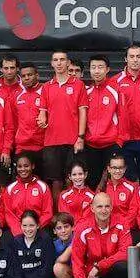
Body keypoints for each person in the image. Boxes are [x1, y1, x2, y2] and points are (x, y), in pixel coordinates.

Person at [71, 193, 130, 278]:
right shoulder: (82, 228)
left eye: (107, 206)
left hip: (112, 274)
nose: (104, 210)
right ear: (92, 208)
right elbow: (77, 263)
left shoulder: (121, 223)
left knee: (123, 266)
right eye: (100, 206)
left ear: (112, 207)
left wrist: (100, 266)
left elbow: (125, 252)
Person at [38, 51, 88, 198]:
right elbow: (42, 113)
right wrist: (41, 121)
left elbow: (83, 113)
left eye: (62, 60)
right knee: (55, 181)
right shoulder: (46, 87)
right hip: (51, 142)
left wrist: (80, 137)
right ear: (52, 64)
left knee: (72, 180)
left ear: (68, 63)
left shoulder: (78, 85)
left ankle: (72, 215)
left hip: (73, 141)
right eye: (55, 60)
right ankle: (57, 217)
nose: (59, 63)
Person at [2, 210, 58, 278]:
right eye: (24, 225)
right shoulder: (16, 241)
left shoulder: (45, 239)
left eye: (31, 225)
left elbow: (47, 265)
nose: (28, 229)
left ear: (38, 225)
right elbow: (15, 266)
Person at [112, 45, 140, 182]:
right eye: (131, 56)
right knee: (127, 179)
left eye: (138, 56)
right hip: (123, 139)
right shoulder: (115, 81)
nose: (135, 60)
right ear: (126, 59)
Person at [81, 54, 122, 184]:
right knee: (92, 181)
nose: (97, 71)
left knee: (112, 183)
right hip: (91, 145)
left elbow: (124, 116)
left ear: (107, 69)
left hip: (111, 144)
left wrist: (119, 141)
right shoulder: (86, 92)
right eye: (93, 67)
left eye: (100, 67)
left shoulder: (115, 90)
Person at [1, 155, 52, 236]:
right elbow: (9, 214)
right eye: (19, 166)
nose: (23, 169)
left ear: (32, 166)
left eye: (26, 166)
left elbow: (47, 212)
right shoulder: (10, 188)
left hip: (39, 229)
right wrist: (19, 231)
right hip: (17, 231)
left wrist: (34, 227)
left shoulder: (43, 186)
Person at [9, 62, 46, 167]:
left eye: (29, 75)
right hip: (22, 147)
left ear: (37, 75)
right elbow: (12, 123)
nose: (26, 78)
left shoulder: (46, 92)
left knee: (43, 181)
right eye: (23, 76)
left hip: (42, 146)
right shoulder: (16, 95)